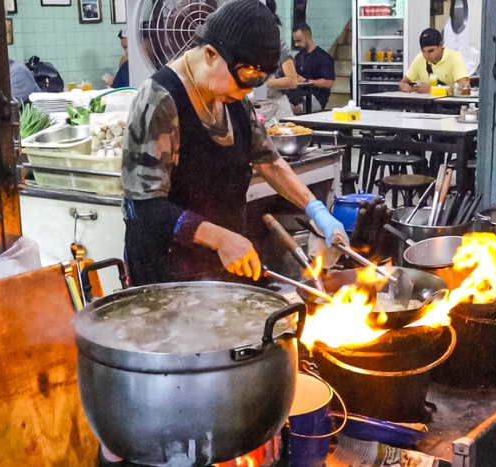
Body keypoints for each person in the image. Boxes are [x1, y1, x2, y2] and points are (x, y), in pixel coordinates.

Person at [120, 0, 348, 289]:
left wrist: (316, 210)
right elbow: (145, 206)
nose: (246, 92)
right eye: (243, 80)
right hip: (166, 273)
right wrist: (221, 238)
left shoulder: (235, 98)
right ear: (211, 54)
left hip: (221, 266)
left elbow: (269, 161)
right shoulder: (159, 100)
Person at [255, 0, 298, 121]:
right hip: (256, 109)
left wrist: (262, 84)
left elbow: (292, 81)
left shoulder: (279, 46)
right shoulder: (247, 45)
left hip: (278, 111)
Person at [398, 28, 469, 94]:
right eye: (423, 51)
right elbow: (403, 82)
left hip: (449, 105)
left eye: (431, 51)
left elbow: (463, 85)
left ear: (441, 45)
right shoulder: (420, 59)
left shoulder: (454, 57)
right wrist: (406, 87)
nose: (427, 55)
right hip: (426, 105)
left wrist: (432, 89)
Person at [286, 23, 335, 114]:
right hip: (296, 95)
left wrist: (306, 81)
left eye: (299, 41)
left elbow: (328, 82)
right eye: (295, 41)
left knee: (293, 110)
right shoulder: (297, 57)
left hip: (316, 96)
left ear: (308, 37)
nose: (296, 44)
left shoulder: (324, 58)